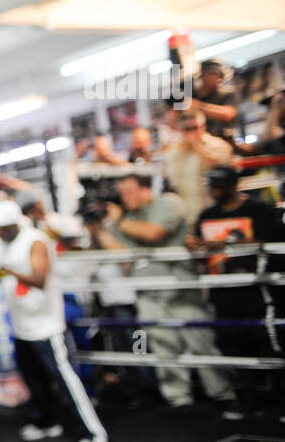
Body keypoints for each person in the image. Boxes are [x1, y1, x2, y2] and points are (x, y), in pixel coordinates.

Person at [86, 173, 240, 418]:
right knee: (163, 347)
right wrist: (96, 228)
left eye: (129, 192)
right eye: (122, 194)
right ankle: (178, 399)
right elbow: (123, 254)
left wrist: (119, 220)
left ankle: (223, 394)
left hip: (181, 289)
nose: (124, 198)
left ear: (146, 189)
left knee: (200, 343)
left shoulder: (168, 203)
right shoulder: (128, 217)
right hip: (149, 292)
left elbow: (154, 233)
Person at [0, 200, 108, 442]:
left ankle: (95, 436)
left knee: (67, 380)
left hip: (47, 327)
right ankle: (45, 421)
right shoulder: (1, 243)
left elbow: (39, 278)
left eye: (1, 228)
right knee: (34, 380)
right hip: (21, 324)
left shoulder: (35, 240)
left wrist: (7, 270)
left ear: (12, 224)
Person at [189, 165, 285, 420]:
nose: (214, 190)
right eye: (212, 185)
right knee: (232, 346)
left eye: (219, 185)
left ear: (233, 185)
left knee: (268, 345)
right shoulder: (207, 214)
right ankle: (247, 399)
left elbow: (268, 243)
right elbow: (200, 249)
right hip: (223, 291)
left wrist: (221, 243)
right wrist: (194, 245)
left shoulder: (259, 210)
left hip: (257, 291)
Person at [164, 108, 232, 226]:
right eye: (187, 129)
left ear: (203, 127)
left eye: (195, 127)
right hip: (184, 217)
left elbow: (218, 167)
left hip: (214, 213)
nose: (191, 132)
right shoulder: (172, 153)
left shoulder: (217, 145)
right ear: (180, 130)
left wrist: (196, 145)